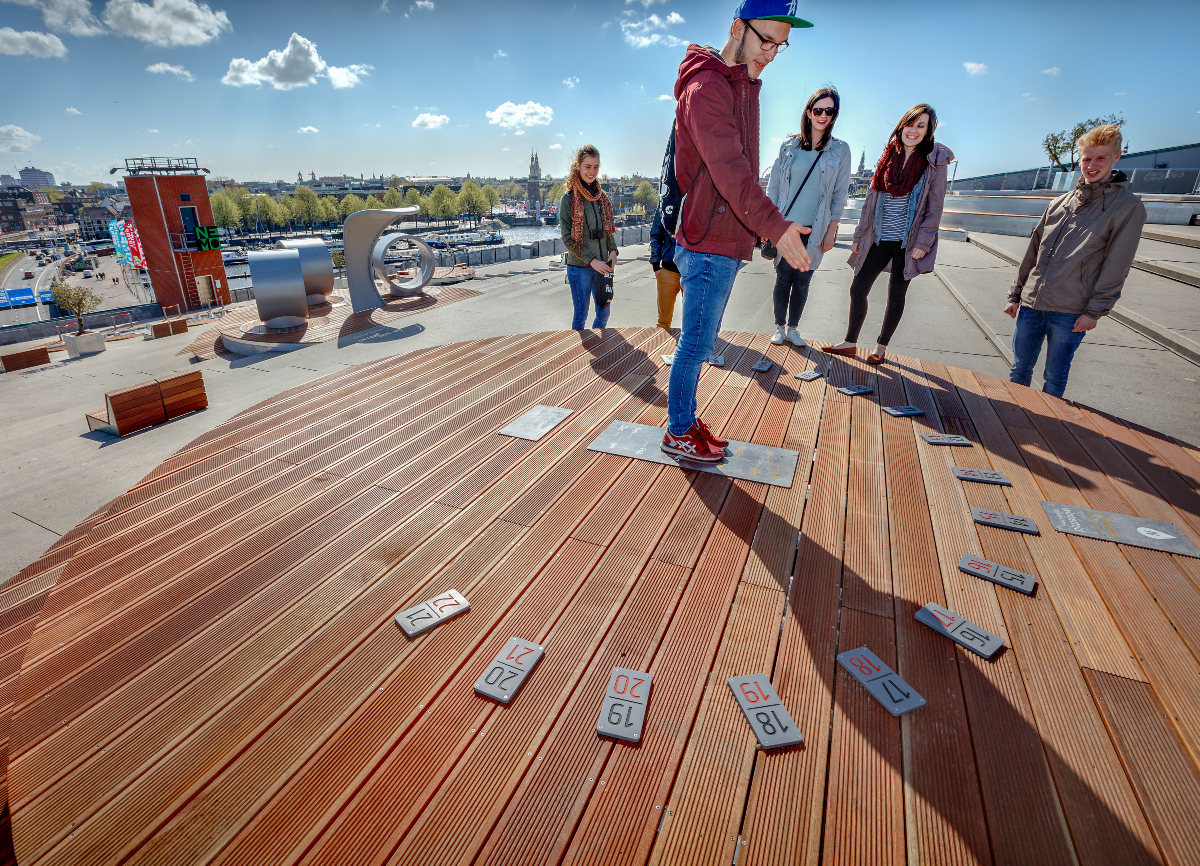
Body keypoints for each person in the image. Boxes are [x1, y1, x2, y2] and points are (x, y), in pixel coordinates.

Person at [664, 0, 814, 463]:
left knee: (700, 342)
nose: (771, 53)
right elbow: (730, 169)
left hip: (724, 235)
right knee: (695, 344)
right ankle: (678, 430)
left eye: (780, 46)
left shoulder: (741, 81)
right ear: (736, 27)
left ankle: (685, 419)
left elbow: (744, 165)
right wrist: (775, 226)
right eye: (766, 40)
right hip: (708, 238)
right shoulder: (708, 86)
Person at [1005, 124, 1145, 398]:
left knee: (1055, 378)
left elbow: (1118, 264)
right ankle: (1012, 421)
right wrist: (1016, 293)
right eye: (1086, 159)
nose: (1092, 165)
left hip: (1071, 311)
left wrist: (1094, 312)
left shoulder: (1128, 207)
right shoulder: (1060, 202)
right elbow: (1033, 252)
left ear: (1116, 157)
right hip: (1033, 305)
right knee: (1019, 369)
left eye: (1100, 158)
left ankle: (1051, 432)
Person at [823, 103, 953, 364]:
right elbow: (870, 203)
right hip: (879, 238)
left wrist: (924, 242)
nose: (913, 130)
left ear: (928, 131)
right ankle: (850, 342)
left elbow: (934, 206)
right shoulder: (887, 158)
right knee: (858, 288)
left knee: (896, 294)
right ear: (901, 125)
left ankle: (881, 347)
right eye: (910, 124)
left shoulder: (933, 161)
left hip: (908, 241)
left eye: (921, 126)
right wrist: (860, 236)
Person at [765, 86, 852, 347]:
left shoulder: (840, 150)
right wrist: (769, 224)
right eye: (818, 110)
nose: (823, 115)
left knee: (803, 281)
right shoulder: (789, 147)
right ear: (809, 112)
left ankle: (793, 329)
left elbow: (839, 193)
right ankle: (779, 327)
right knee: (782, 279)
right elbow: (774, 187)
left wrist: (832, 229)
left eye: (830, 111)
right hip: (786, 226)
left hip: (816, 227)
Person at [559, 145, 618, 330]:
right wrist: (592, 261)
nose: (592, 171)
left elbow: (608, 230)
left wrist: (614, 251)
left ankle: (598, 347)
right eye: (587, 166)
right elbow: (568, 239)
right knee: (581, 315)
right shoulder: (568, 199)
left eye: (596, 167)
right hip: (580, 267)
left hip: (603, 265)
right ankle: (582, 352)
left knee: (604, 312)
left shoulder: (602, 197)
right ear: (578, 166)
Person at [649, 203, 679, 330]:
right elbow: (656, 234)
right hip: (668, 271)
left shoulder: (698, 197)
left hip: (692, 272)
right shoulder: (666, 202)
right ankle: (661, 348)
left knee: (694, 322)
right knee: (663, 323)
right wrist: (656, 265)